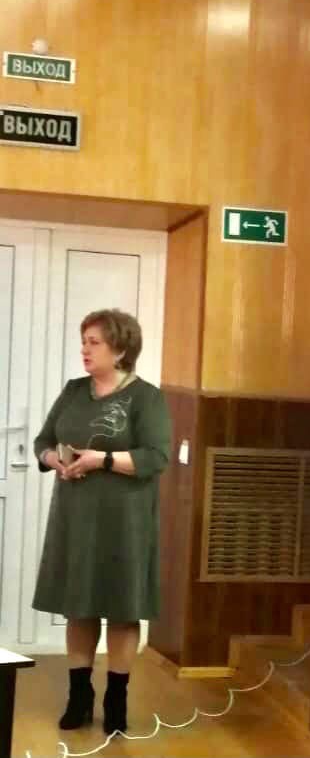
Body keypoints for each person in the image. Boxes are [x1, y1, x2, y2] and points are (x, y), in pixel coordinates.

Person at [32, 309, 172, 736]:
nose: (85, 349)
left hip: (125, 519)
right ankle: (79, 696)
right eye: (84, 341)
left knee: (122, 608)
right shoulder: (74, 390)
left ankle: (116, 697)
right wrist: (53, 459)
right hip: (75, 515)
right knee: (80, 604)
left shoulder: (146, 397)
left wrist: (103, 460)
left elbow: (156, 457)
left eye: (94, 342)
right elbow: (43, 441)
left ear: (121, 349)